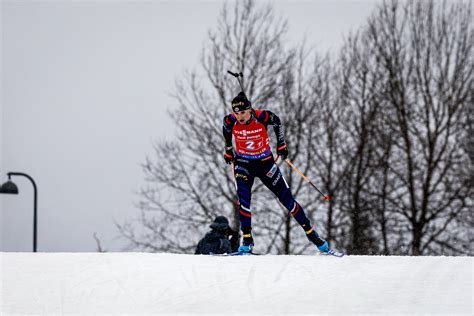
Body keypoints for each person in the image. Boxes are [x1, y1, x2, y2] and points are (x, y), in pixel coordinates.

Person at [222, 91, 330, 254]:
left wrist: (281, 145)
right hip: (243, 164)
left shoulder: (262, 117)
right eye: (237, 113)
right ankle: (247, 239)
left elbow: (277, 122)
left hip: (265, 164)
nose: (240, 117)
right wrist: (228, 149)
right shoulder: (230, 121)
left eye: (243, 112)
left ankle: (311, 233)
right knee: (244, 201)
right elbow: (226, 129)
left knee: (287, 200)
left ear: (250, 110)